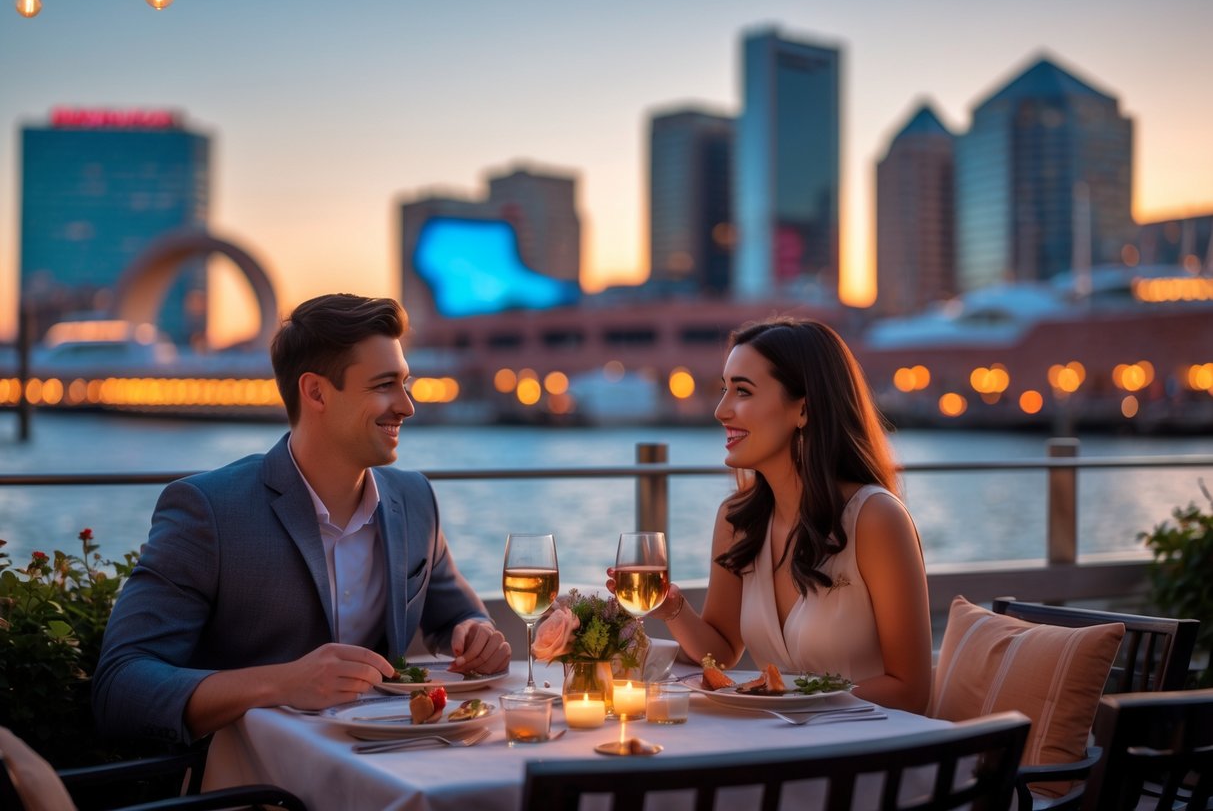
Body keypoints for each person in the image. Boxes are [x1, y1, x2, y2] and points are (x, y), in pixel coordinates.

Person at [93, 293, 510, 743]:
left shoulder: (415, 499)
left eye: (405, 383)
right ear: (315, 392)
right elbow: (120, 687)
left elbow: (458, 618)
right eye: (384, 385)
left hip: (394, 759)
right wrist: (282, 683)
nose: (407, 406)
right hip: (258, 788)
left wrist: (478, 634)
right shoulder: (208, 510)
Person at [613, 318, 932, 713]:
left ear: (803, 409)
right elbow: (723, 651)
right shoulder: (736, 519)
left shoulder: (876, 519)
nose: (720, 411)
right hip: (783, 743)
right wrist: (671, 608)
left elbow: (912, 691)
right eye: (723, 390)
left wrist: (784, 701)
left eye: (742, 391)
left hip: (871, 754)